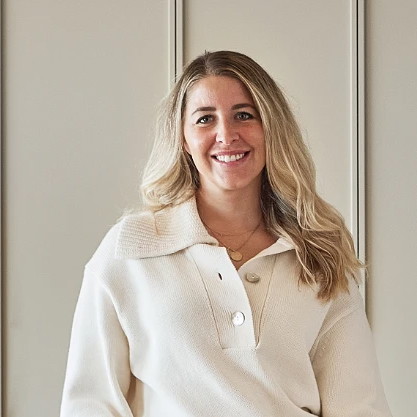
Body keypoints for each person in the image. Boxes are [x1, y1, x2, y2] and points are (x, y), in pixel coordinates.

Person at [60, 50, 392, 417]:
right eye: (205, 119)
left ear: (270, 127)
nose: (226, 134)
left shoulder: (317, 251)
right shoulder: (132, 247)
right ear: (183, 139)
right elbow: (90, 404)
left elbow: (359, 406)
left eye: (244, 115)